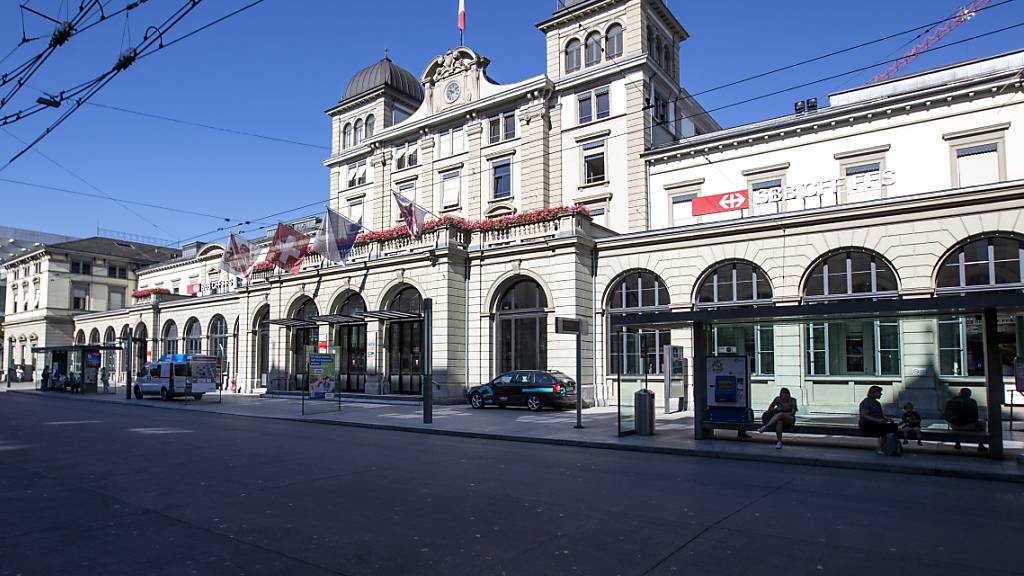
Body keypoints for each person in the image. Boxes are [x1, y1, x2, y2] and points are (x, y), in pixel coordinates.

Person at [858, 385, 899, 455]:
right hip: (866, 423)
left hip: (876, 422)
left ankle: (893, 446)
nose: (881, 394)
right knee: (882, 428)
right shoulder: (866, 402)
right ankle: (880, 448)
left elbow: (880, 415)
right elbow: (864, 415)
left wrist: (887, 419)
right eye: (879, 392)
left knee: (893, 426)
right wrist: (877, 420)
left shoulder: (877, 403)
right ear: (873, 393)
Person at [944, 388, 987, 452]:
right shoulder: (972, 401)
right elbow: (975, 416)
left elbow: (946, 415)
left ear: (960, 393)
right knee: (982, 424)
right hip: (969, 426)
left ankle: (957, 443)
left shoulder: (952, 401)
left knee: (958, 422)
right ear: (969, 394)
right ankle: (980, 445)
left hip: (954, 426)